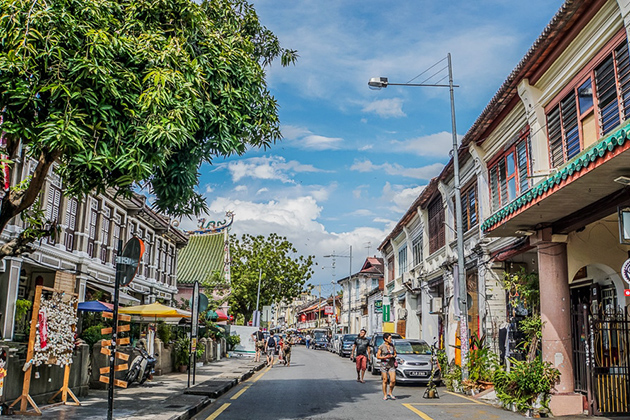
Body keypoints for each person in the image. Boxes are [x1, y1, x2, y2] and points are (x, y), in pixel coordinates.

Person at [376, 332, 397, 400]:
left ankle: (390, 392)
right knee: (385, 380)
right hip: (384, 365)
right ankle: (385, 394)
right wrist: (385, 357)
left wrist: (393, 356)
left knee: (393, 380)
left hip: (391, 364)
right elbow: (378, 356)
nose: (391, 339)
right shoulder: (381, 346)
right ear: (385, 339)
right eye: (390, 338)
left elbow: (395, 353)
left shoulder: (392, 345)